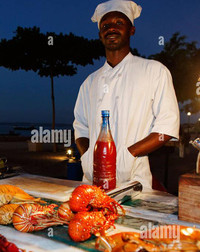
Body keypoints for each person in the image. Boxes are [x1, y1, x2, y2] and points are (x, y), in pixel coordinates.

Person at [73, 0, 180, 191]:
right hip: (90, 185)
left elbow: (167, 127)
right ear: (100, 35)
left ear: (131, 30)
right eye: (106, 25)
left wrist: (128, 155)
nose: (111, 28)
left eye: (119, 23)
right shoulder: (89, 82)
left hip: (134, 183)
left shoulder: (153, 71)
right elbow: (80, 128)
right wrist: (89, 155)